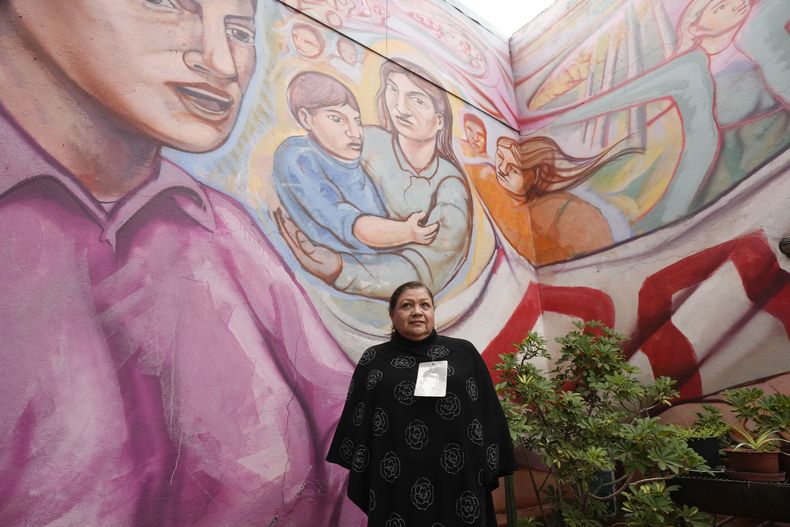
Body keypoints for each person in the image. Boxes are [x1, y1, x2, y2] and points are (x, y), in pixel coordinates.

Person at [0, 1, 363, 525]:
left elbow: (353, 434)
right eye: (167, 3)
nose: (221, 61)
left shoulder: (220, 229)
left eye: (239, 28)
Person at [278, 59, 477, 300]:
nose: (400, 109)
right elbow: (322, 193)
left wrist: (341, 270)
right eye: (393, 89)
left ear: (440, 120)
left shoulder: (450, 189)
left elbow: (427, 268)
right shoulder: (362, 141)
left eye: (417, 100)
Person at [327, 282, 515, 526]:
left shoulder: (464, 354)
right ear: (392, 315)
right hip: (395, 478)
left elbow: (489, 413)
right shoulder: (374, 361)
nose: (417, 311)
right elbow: (358, 422)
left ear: (433, 312)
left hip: (459, 478)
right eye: (407, 305)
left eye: (424, 305)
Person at [273, 71, 438, 253]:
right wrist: (406, 232)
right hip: (346, 263)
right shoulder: (298, 155)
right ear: (306, 118)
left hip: (379, 261)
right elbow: (342, 217)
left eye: (357, 121)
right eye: (336, 119)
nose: (354, 132)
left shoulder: (357, 161)